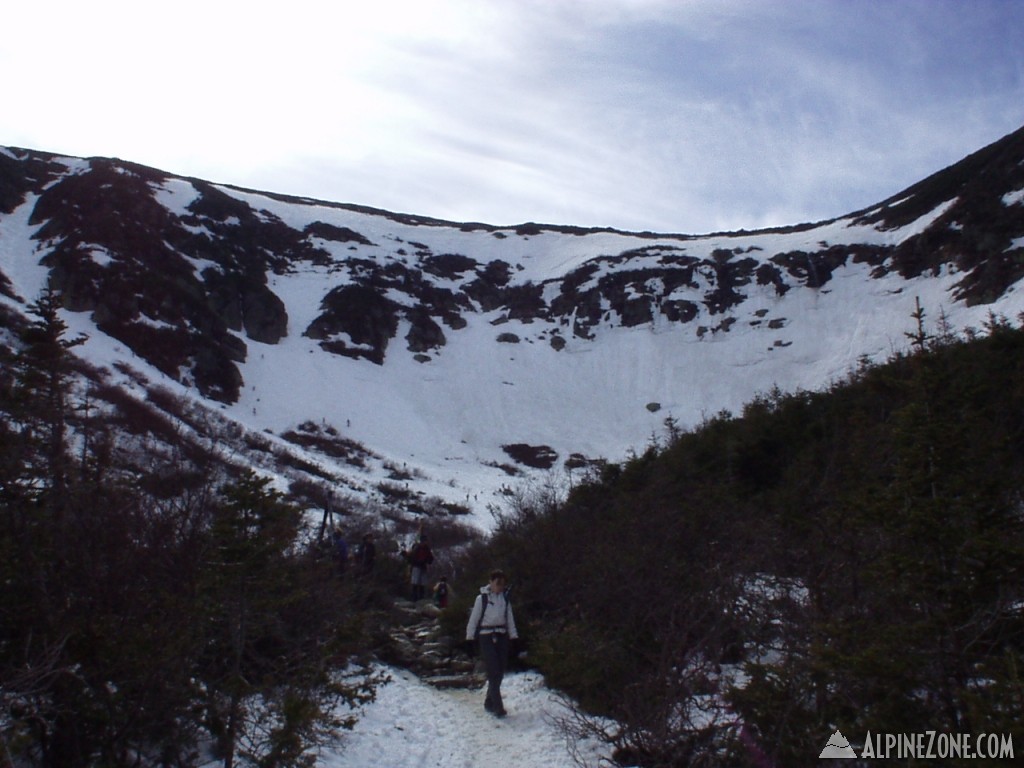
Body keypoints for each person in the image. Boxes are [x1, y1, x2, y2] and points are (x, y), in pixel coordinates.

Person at [465, 569, 518, 717]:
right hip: (486, 636)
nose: (500, 586)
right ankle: (497, 706)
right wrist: (469, 639)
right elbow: (473, 620)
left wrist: (514, 637)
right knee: (493, 669)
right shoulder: (481, 599)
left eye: (502, 583)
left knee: (500, 670)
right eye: (497, 583)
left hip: (502, 635)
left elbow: (510, 619)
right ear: (491, 582)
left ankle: (489, 701)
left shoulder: (505, 600)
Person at [404, 534, 434, 601]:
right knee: (415, 582)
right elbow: (412, 557)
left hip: (423, 567)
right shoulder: (416, 548)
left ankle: (421, 597)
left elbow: (431, 558)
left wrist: (427, 561)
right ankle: (414, 597)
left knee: (422, 583)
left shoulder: (426, 549)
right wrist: (418, 562)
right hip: (416, 566)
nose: (424, 542)